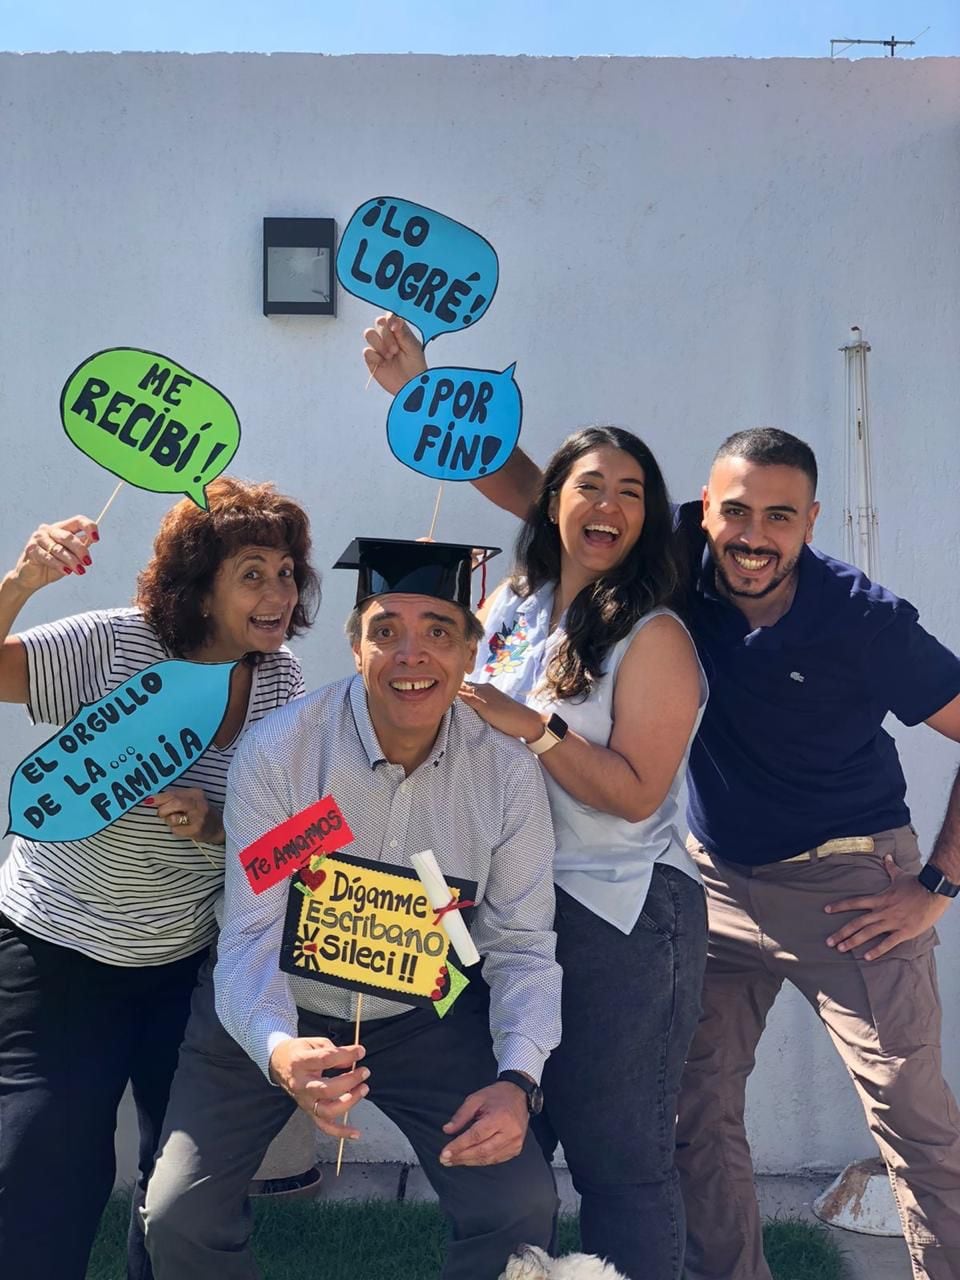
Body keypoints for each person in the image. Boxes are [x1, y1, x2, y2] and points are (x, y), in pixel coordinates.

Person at [365, 324, 960, 1280]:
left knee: (912, 1118)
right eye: (734, 512)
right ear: (705, 512)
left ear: (811, 521)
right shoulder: (668, 554)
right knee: (691, 1123)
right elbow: (540, 493)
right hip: (714, 881)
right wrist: (420, 390)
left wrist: (935, 884)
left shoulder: (860, 620)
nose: (752, 536)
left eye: (779, 517)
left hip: (847, 883)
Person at [364, 321, 709, 1280]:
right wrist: (417, 388)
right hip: (502, 906)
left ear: (648, 521)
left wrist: (539, 730)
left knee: (621, 1163)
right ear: (553, 502)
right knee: (511, 1147)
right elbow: (488, 468)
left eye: (632, 493)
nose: (610, 505)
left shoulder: (657, 635)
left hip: (617, 918)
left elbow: (639, 797)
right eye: (589, 485)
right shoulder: (516, 599)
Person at [142, 538, 563, 1280]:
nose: (411, 656)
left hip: (424, 1018)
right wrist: (278, 1049)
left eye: (438, 632)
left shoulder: (506, 774)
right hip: (279, 1003)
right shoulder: (279, 754)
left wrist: (518, 1082)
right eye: (385, 631)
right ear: (355, 646)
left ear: (470, 654)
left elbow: (523, 946)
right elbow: (246, 936)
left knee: (520, 1202)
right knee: (179, 1214)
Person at [0, 477, 319, 1280]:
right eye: (253, 572)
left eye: (287, 572)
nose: (278, 592)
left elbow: (304, 843)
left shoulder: (283, 685)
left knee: (178, 1195)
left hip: (187, 965)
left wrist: (218, 829)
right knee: (44, 1171)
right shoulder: (115, 646)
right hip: (55, 954)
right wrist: (21, 583)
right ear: (199, 587)